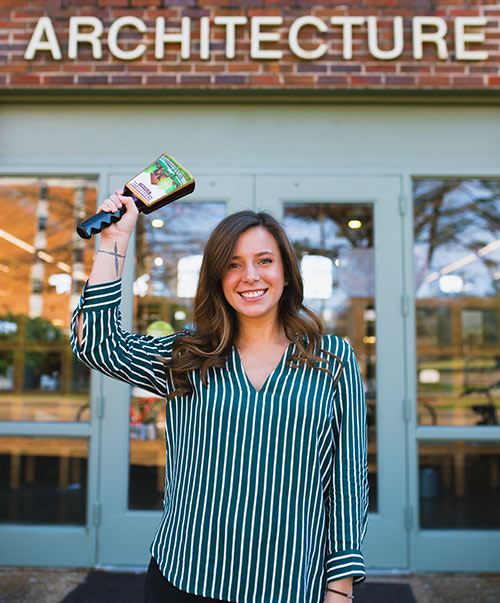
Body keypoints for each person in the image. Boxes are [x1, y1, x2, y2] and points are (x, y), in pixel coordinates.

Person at [71, 190, 368, 603]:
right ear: (217, 278)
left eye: (264, 261)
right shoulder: (187, 355)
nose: (250, 276)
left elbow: (348, 480)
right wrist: (114, 241)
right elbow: (95, 343)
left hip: (291, 585)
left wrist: (341, 587)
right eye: (233, 265)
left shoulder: (332, 360)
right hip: (186, 578)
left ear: (285, 272)